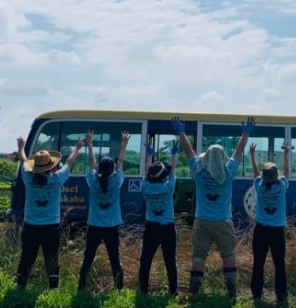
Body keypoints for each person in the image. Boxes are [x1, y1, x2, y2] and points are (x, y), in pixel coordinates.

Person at [173, 115, 254, 298]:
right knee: (228, 255)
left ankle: (194, 292)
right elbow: (239, 152)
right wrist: (245, 133)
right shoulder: (228, 172)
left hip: (201, 221)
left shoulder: (198, 172)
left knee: (199, 255)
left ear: (207, 158)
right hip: (223, 222)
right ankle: (231, 292)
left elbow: (189, 151)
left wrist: (180, 131)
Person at [16, 131, 85, 289]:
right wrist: (77, 147)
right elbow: (69, 163)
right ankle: (53, 289)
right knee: (52, 258)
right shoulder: (57, 179)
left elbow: (23, 159)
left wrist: (21, 147)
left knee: (27, 257)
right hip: (51, 227)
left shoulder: (28, 178)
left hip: (31, 226)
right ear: (51, 166)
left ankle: (20, 287)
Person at [78, 131, 128, 291]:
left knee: (88, 258)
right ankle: (119, 289)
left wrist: (90, 143)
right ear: (112, 169)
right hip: (112, 226)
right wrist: (124, 144)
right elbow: (120, 161)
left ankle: (81, 288)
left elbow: (92, 163)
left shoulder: (93, 181)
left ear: (99, 169)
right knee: (115, 258)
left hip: (94, 225)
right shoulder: (117, 181)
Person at [248, 141, 290, 303]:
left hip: (261, 230)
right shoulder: (282, 187)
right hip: (277, 231)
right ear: (276, 176)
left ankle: (257, 294)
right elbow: (286, 172)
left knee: (258, 263)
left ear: (264, 177)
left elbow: (255, 172)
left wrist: (252, 155)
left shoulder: (259, 186)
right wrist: (286, 154)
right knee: (279, 263)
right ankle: (281, 295)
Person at [138, 138, 180, 295]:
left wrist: (149, 155)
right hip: (168, 228)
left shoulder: (145, 188)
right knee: (170, 260)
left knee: (146, 260)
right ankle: (174, 290)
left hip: (151, 228)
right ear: (164, 176)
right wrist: (173, 154)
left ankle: (142, 290)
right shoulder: (168, 187)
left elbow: (146, 172)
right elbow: (173, 170)